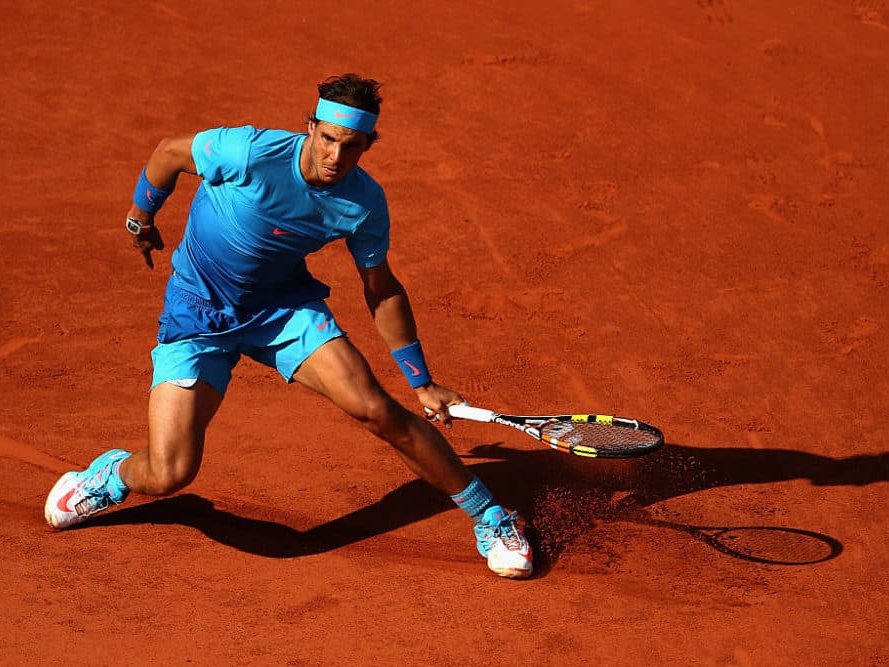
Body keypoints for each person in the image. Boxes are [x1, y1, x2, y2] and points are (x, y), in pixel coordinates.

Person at [43, 73, 532, 579]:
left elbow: (381, 288)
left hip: (281, 310)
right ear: (310, 126)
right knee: (169, 473)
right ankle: (113, 476)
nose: (336, 158)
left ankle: (491, 516)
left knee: (376, 410)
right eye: (327, 139)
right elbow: (168, 152)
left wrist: (422, 381)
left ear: (366, 145)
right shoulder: (248, 151)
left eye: (352, 147)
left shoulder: (363, 204)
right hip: (198, 312)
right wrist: (140, 218)